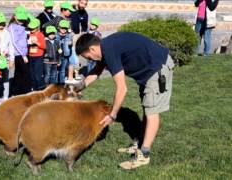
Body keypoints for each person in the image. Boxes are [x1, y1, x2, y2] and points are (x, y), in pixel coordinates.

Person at [75, 32, 175, 169]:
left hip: (157, 67)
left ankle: (144, 154)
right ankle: (140, 144)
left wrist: (112, 114)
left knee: (152, 111)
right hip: (148, 71)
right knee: (147, 107)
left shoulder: (109, 50)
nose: (90, 59)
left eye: (88, 57)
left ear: (92, 49)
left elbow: (122, 88)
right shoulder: (105, 48)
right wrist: (77, 88)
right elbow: (96, 71)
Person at [8, 5, 31, 95]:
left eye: (23, 19)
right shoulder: (12, 27)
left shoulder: (22, 27)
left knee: (18, 73)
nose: (22, 21)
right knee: (25, 73)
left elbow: (23, 40)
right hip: (18, 54)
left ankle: (17, 92)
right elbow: (14, 42)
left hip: (23, 53)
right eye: (20, 19)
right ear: (15, 16)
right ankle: (25, 92)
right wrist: (23, 55)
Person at [0, 12, 15, 104]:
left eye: (2, 23)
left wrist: (12, 59)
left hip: (5, 59)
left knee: (6, 78)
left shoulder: (7, 33)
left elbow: (11, 46)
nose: (1, 25)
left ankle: (5, 97)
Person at [27, 18, 46, 91]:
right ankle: (34, 89)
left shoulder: (40, 35)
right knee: (32, 74)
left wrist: (37, 43)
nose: (31, 29)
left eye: (33, 28)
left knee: (37, 75)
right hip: (31, 56)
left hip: (38, 57)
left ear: (38, 27)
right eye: (30, 28)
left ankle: (40, 89)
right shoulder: (30, 34)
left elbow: (44, 46)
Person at [56, 20, 73, 84]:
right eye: (62, 28)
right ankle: (55, 83)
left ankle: (61, 84)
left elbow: (71, 45)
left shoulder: (68, 36)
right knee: (55, 70)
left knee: (62, 70)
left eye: (65, 28)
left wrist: (70, 43)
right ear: (59, 27)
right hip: (57, 56)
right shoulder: (55, 35)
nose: (64, 30)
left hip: (65, 56)